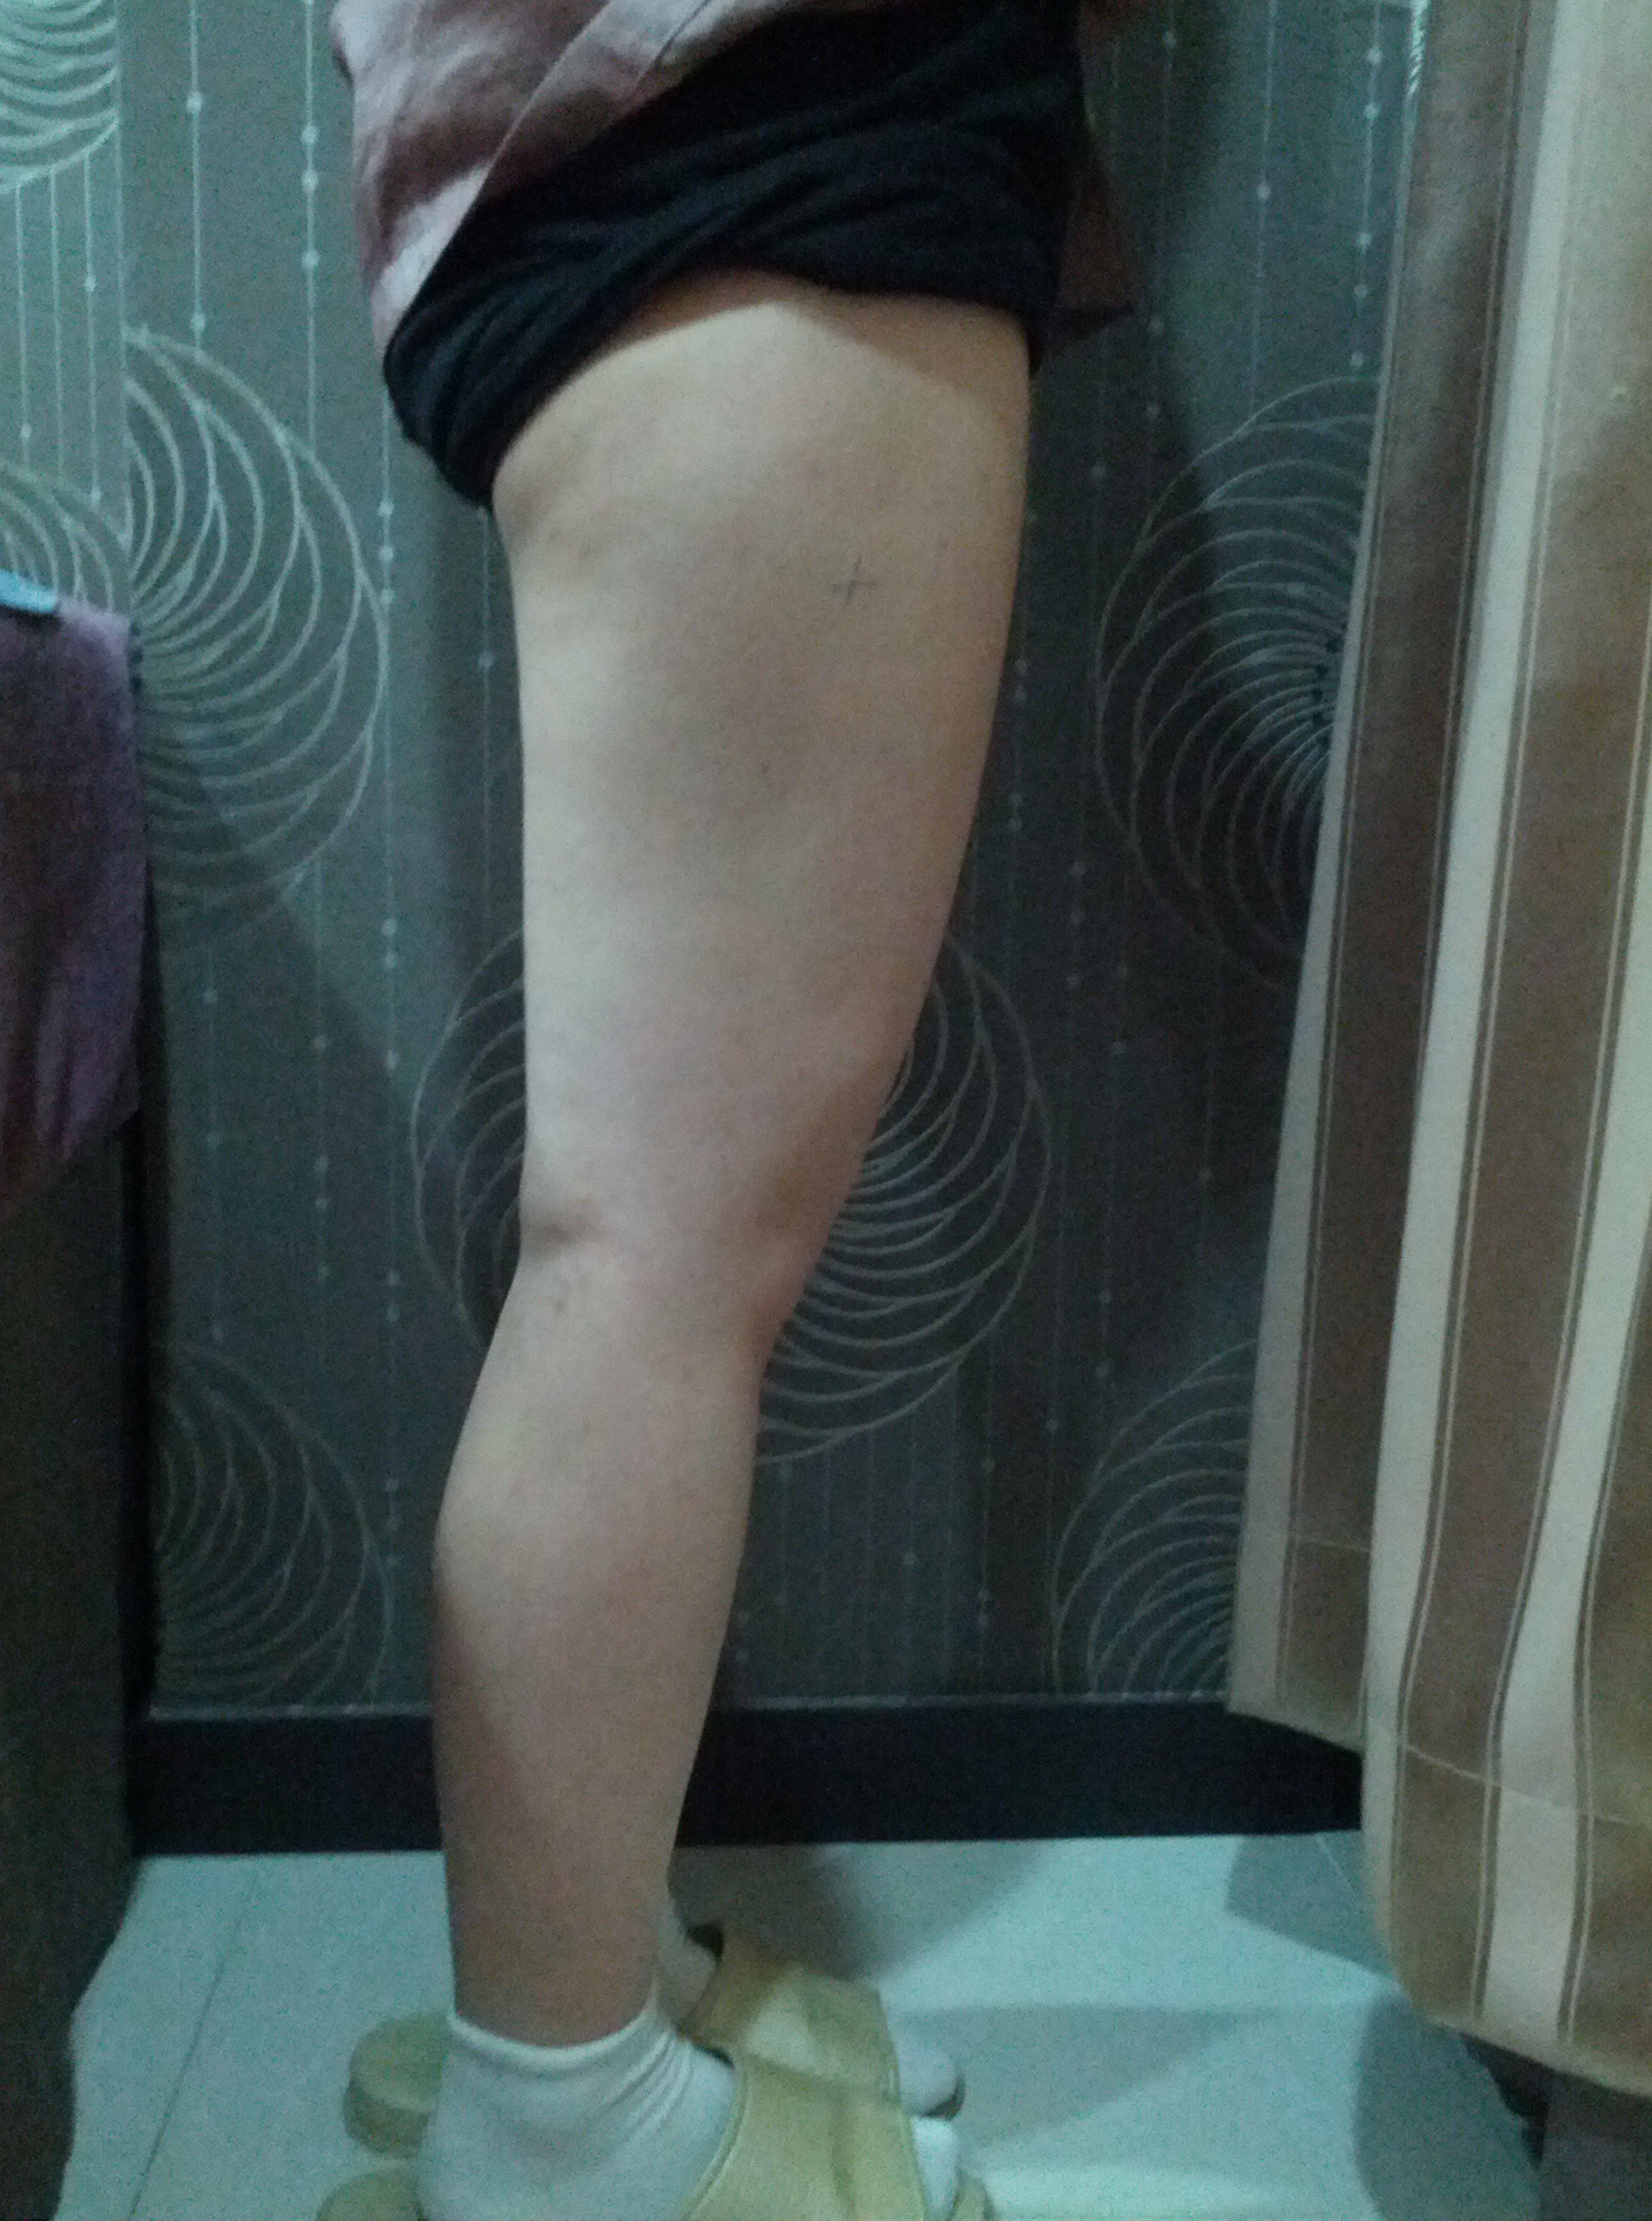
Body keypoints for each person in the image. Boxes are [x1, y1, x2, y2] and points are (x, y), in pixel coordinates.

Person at [322, 6, 1140, 2216]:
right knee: (657, 1254)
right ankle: (559, 2114)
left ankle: (586, 1990)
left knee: (649, 1247)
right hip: (766, 102)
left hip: (687, 121)